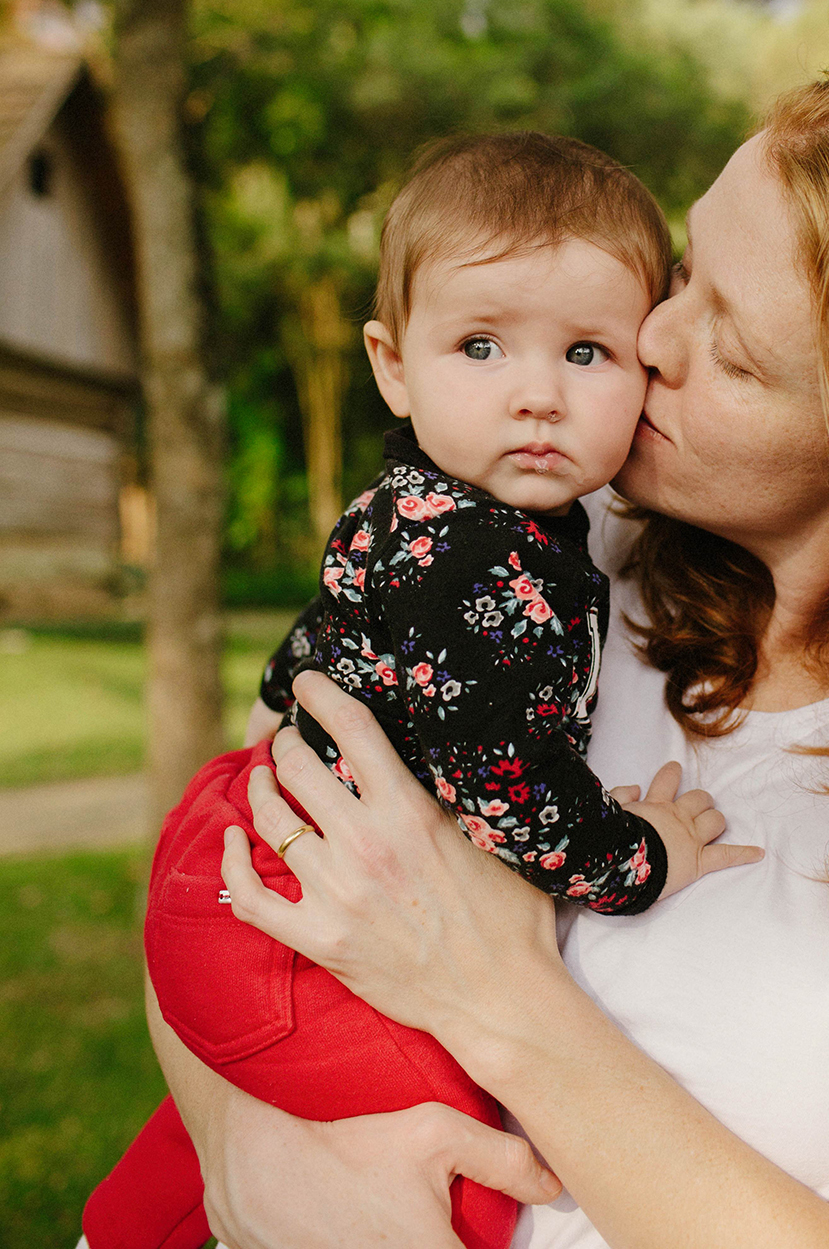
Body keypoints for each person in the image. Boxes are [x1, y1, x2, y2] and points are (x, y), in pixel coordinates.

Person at [147, 74, 829, 1249]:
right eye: (680, 274)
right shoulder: (546, 547)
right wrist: (238, 1152)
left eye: (726, 349)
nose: (645, 340)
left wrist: (497, 998)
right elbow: (227, 850)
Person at [84, 132, 759, 1249]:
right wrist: (643, 857)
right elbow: (502, 784)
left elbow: (318, 633)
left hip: (238, 853)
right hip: (275, 908)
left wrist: (270, 722)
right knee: (470, 1155)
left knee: (281, 1102)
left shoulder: (420, 504)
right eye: (482, 346)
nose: (538, 396)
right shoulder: (491, 559)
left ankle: (118, 1225)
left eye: (587, 353)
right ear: (393, 365)